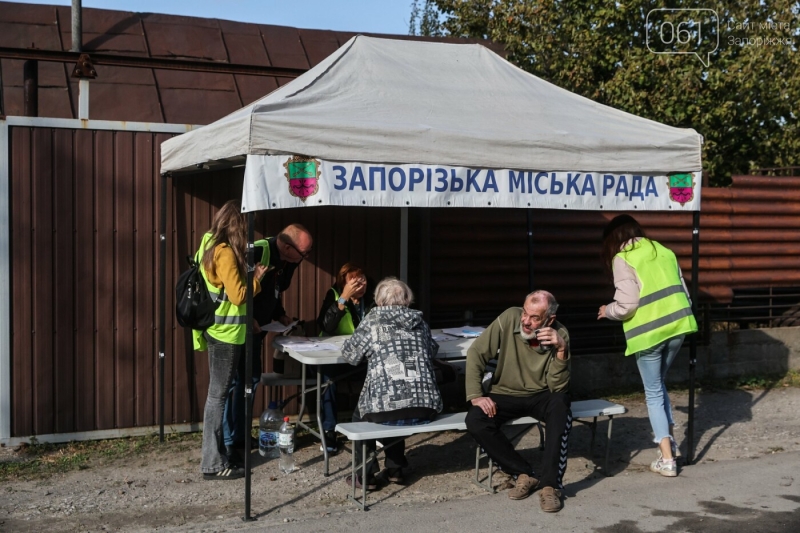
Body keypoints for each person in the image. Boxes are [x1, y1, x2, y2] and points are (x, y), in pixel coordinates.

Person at [597, 214, 697, 478]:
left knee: (653, 392)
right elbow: (684, 291)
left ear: (612, 239)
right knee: (659, 385)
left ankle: (667, 460)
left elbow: (628, 305)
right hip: (679, 326)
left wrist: (608, 310)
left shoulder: (623, 258)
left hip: (648, 333)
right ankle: (671, 446)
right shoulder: (664, 250)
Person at [465, 290, 571, 513]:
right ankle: (523, 474)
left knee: (560, 407)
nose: (526, 321)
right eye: (525, 313)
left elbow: (557, 387)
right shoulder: (509, 318)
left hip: (541, 394)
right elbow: (477, 352)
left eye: (535, 317)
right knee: (475, 419)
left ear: (549, 320)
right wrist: (476, 395)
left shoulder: (560, 334)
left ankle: (551, 486)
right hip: (504, 392)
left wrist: (561, 350)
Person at [222, 223, 314, 466]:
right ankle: (228, 442)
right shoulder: (258, 251)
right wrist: (248, 316)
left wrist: (280, 314)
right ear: (286, 246)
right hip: (240, 329)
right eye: (303, 253)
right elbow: (235, 290)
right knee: (233, 385)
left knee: (250, 381)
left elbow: (272, 291)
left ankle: (241, 436)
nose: (305, 258)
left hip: (259, 330)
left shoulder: (287, 261)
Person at [340, 278, 441, 489]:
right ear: (407, 300)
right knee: (396, 400)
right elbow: (432, 350)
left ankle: (364, 475)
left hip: (387, 409)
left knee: (366, 413)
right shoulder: (419, 321)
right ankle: (395, 468)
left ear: (378, 300)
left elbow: (350, 355)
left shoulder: (373, 320)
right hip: (425, 407)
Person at [193, 200, 268, 480]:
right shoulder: (224, 252)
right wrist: (257, 279)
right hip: (226, 334)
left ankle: (217, 456)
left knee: (217, 396)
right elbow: (238, 295)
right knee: (217, 397)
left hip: (216, 331)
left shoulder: (207, 242)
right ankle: (212, 463)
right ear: (237, 225)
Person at [315, 263, 373, 454]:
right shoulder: (334, 295)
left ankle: (374, 426)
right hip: (335, 358)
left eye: (362, 280)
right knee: (326, 379)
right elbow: (326, 325)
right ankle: (329, 430)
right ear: (344, 283)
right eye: (354, 281)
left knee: (380, 372)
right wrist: (343, 300)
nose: (360, 285)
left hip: (363, 357)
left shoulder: (372, 298)